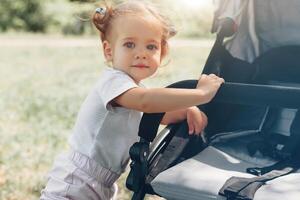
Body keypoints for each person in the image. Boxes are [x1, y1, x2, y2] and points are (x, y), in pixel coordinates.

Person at [40, 1, 224, 200]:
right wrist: (201, 94)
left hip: (102, 182)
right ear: (109, 51)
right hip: (77, 180)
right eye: (129, 44)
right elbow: (147, 102)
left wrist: (187, 109)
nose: (141, 53)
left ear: (161, 54)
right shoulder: (113, 82)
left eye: (151, 46)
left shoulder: (133, 91)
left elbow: (155, 114)